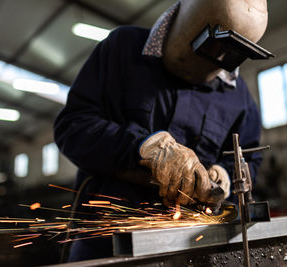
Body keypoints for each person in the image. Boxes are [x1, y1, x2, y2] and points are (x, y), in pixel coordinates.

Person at [54, 0, 272, 262]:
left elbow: (250, 157)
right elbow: (73, 126)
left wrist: (224, 174)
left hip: (192, 247)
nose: (221, 60)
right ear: (190, 19)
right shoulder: (123, 49)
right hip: (105, 243)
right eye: (214, 46)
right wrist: (143, 148)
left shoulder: (239, 97)